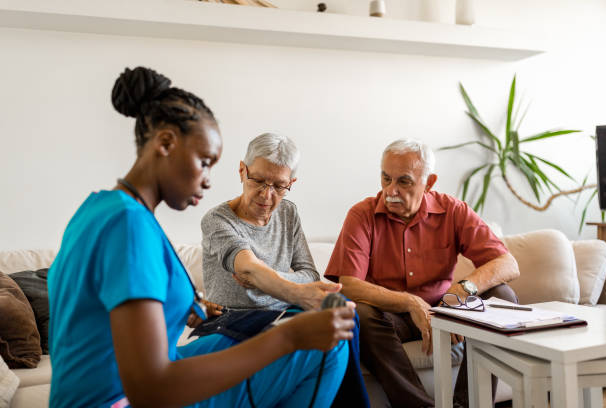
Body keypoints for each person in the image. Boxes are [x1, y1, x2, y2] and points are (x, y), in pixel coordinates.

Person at [47, 66, 354, 408]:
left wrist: (187, 308)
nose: (208, 180)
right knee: (326, 346)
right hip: (123, 400)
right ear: (165, 143)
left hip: (126, 381)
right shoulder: (129, 227)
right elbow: (151, 391)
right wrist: (288, 337)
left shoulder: (100, 208)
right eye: (205, 161)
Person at [324, 139, 520, 408]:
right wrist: (409, 301)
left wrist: (463, 290)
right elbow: (349, 285)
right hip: (388, 317)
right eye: (386, 179)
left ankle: (469, 404)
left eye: (404, 182)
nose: (391, 191)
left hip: (446, 311)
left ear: (429, 182)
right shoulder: (362, 215)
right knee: (360, 314)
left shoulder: (453, 210)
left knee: (503, 296)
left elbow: (507, 264)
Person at [200, 132, 341, 311]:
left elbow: (310, 276)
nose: (267, 195)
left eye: (279, 186)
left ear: (291, 182)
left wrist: (265, 279)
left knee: (343, 317)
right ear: (242, 171)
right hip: (233, 320)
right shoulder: (217, 220)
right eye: (258, 180)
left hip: (282, 312)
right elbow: (248, 269)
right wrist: (292, 289)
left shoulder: (288, 212)